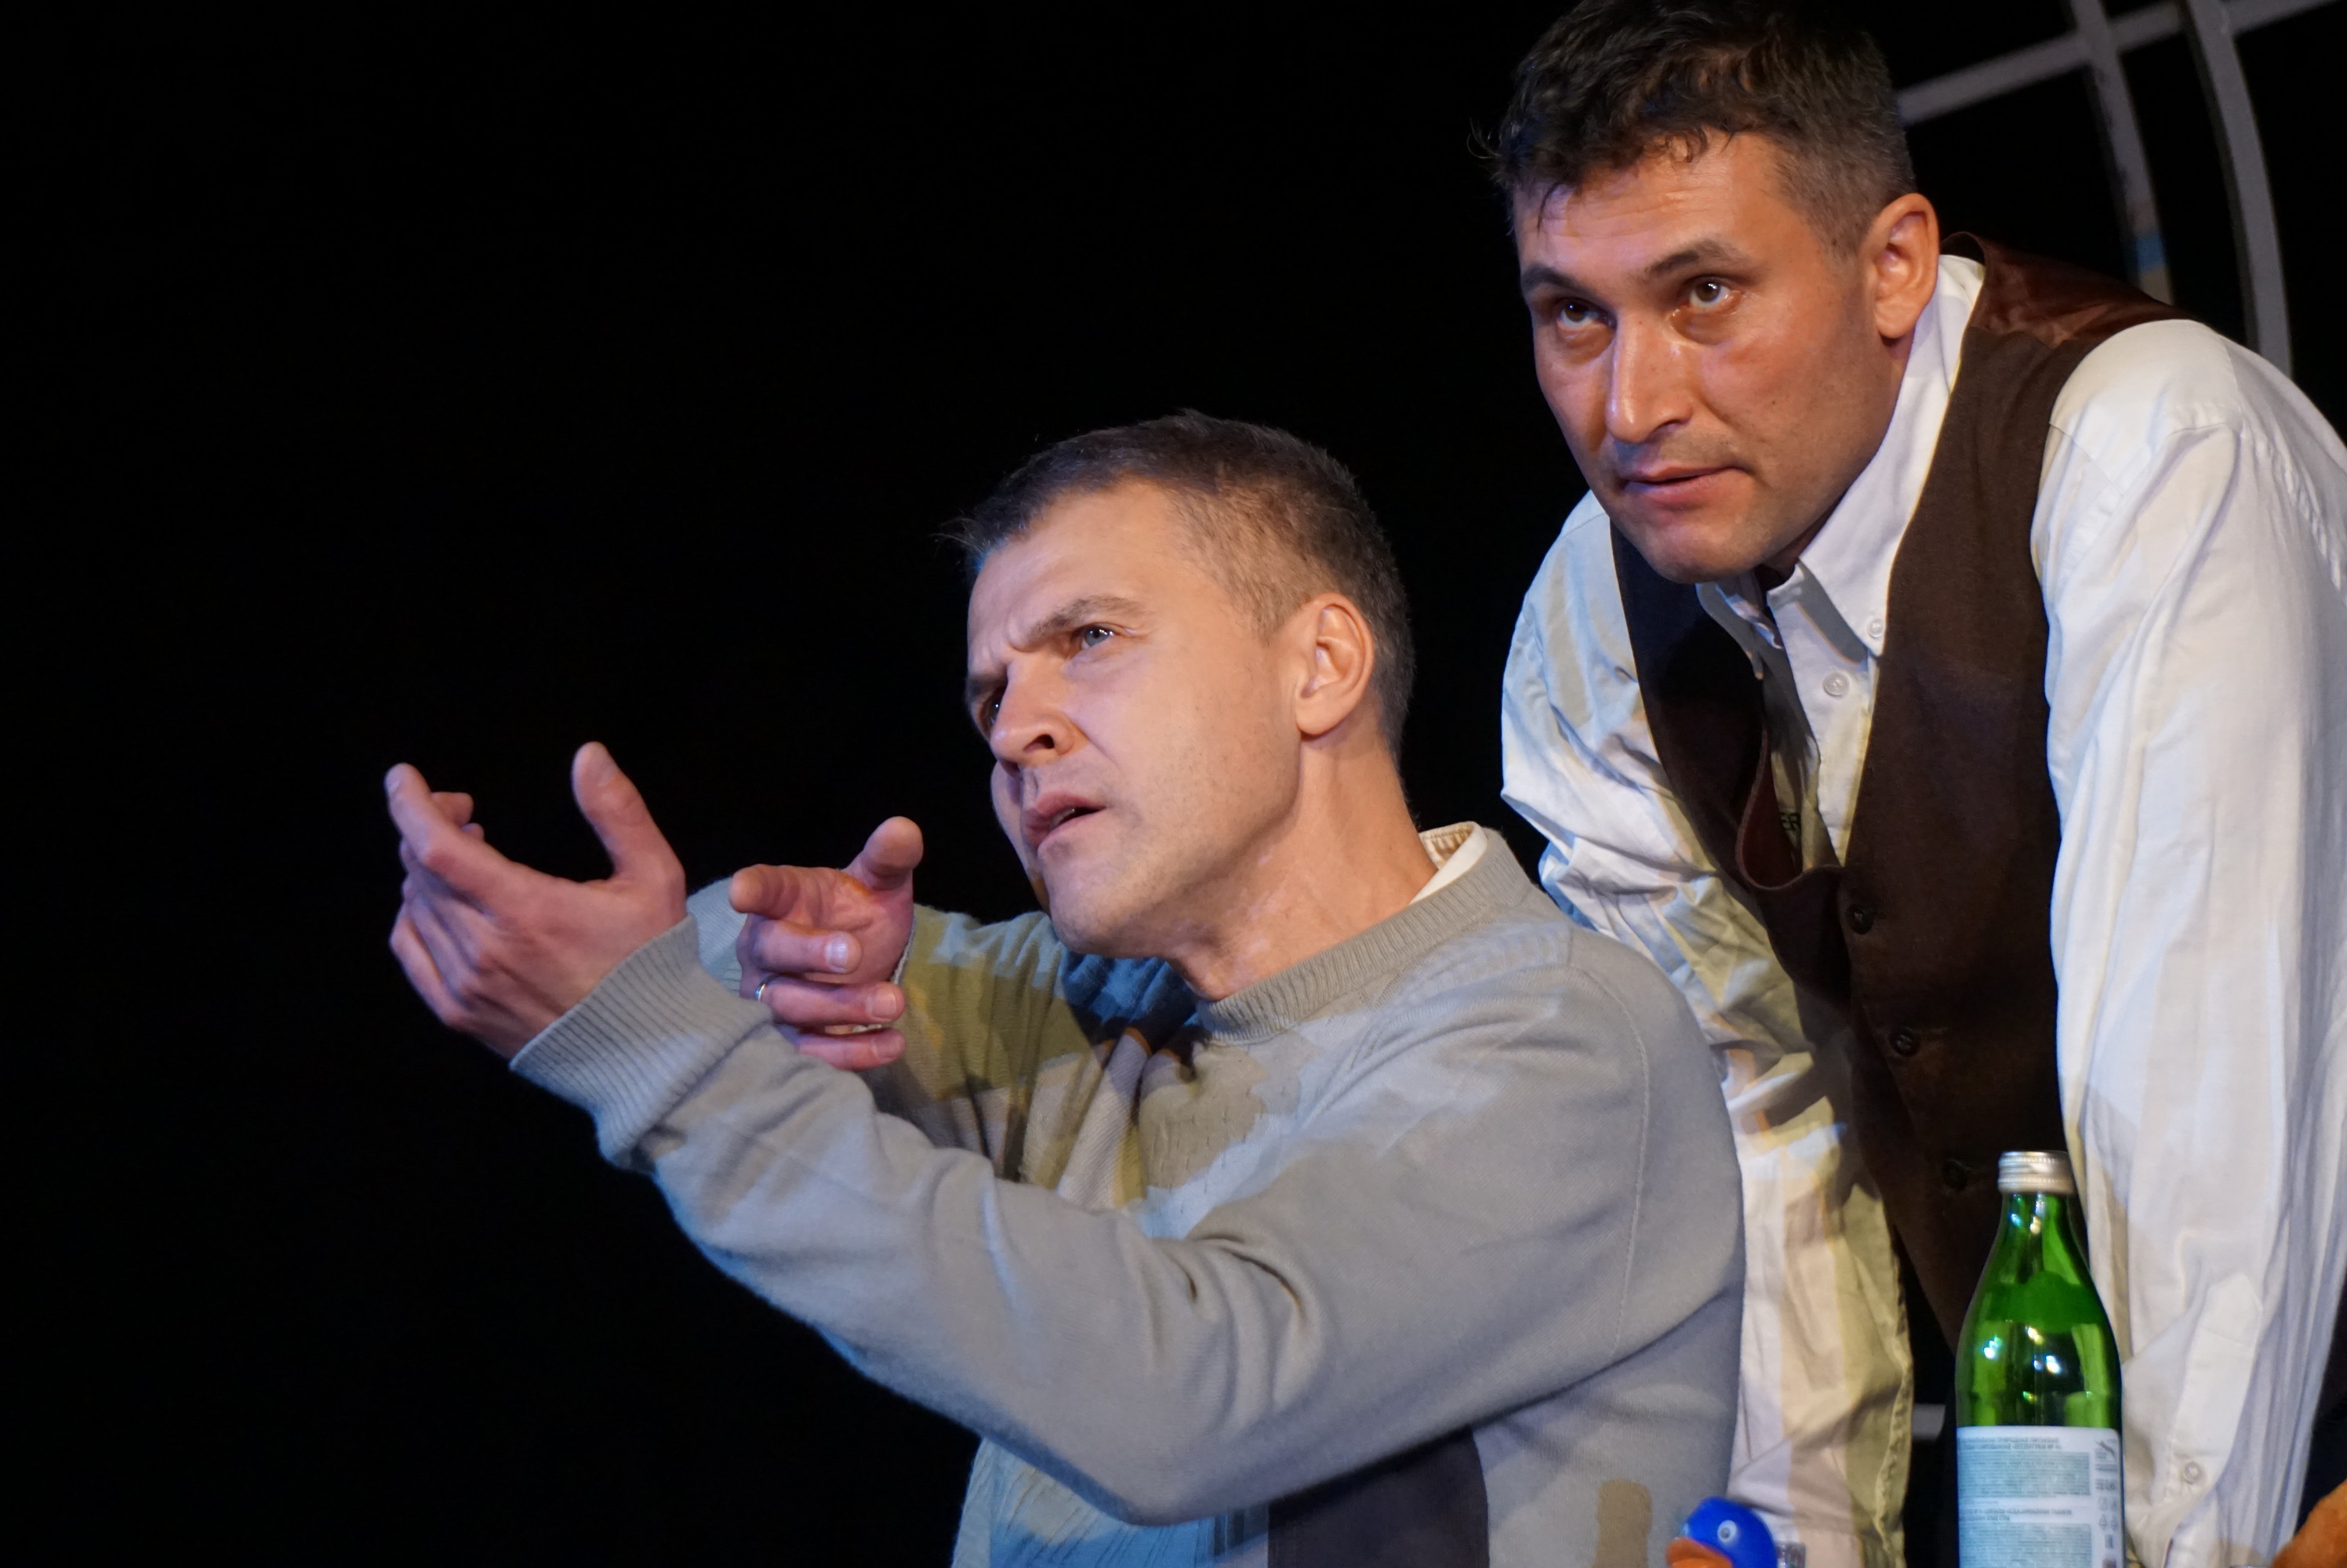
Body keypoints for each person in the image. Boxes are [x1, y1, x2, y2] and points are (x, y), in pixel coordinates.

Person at [746, 6, 2347, 1565]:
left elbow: (2205, 1072)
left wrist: (2189, 1550)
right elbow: (1755, 1116)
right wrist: (1768, 1543)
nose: (1632, 404)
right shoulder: (1601, 607)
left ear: (1894, 265)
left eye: (1704, 294)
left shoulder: (2145, 449)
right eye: (1573, 315)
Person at [387, 415, 1746, 1567]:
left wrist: (672, 1059)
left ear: (1320, 666)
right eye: (992, 696)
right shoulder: (1090, 1005)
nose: (1018, 728)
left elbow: (1193, 1396)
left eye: (1089, 637)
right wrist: (762, 973)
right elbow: (693, 971)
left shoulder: (1562, 1041)